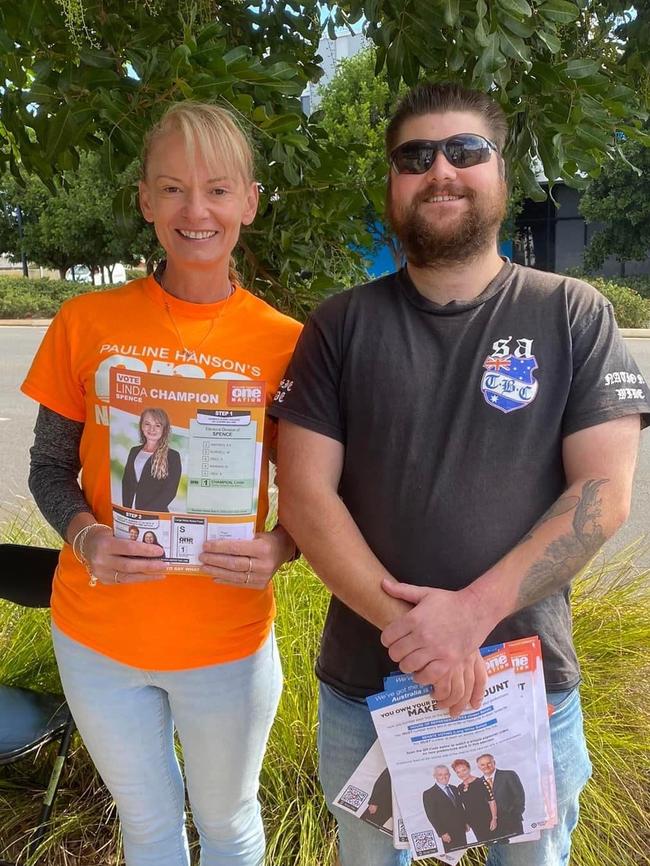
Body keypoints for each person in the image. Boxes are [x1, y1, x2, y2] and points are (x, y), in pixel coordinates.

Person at [270, 80, 650, 866]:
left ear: (502, 176)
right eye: (415, 156)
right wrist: (424, 638)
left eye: (465, 150)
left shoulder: (574, 314)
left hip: (524, 687)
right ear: (392, 184)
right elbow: (306, 496)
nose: (440, 169)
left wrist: (468, 617)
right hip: (368, 690)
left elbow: (604, 495)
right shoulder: (339, 325)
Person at [23, 101, 302, 866]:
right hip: (97, 638)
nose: (196, 210)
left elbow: (319, 496)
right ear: (146, 201)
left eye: (217, 188)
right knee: (146, 828)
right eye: (172, 188)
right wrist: (85, 535)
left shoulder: (288, 346)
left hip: (226, 643)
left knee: (229, 824)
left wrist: (282, 544)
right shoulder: (85, 322)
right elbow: (49, 466)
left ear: (248, 201)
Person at [121, 408, 182, 512]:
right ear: (142, 426)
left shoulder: (173, 456)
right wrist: (127, 510)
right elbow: (126, 482)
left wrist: (146, 513)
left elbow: (170, 491)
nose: (151, 429)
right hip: (131, 512)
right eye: (147, 424)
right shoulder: (134, 451)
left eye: (157, 425)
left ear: (164, 429)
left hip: (155, 515)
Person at [476, 754, 525, 840]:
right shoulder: (478, 784)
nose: (486, 766)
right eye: (482, 765)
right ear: (479, 767)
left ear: (494, 763)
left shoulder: (508, 775)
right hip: (492, 827)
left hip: (512, 822)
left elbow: (519, 796)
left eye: (489, 763)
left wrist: (515, 814)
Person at [421, 766, 467, 852]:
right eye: (440, 775)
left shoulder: (454, 788)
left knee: (464, 852)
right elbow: (432, 815)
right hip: (447, 832)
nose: (444, 777)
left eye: (446, 774)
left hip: (461, 828)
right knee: (453, 855)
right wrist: (442, 833)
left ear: (449, 775)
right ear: (435, 776)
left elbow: (460, 807)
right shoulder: (429, 793)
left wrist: (466, 822)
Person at [451, 758, 497, 843]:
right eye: (458, 772)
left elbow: (492, 801)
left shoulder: (481, 782)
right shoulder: (459, 788)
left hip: (487, 820)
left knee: (495, 843)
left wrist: (494, 819)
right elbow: (463, 807)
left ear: (469, 769)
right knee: (484, 844)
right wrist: (466, 822)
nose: (461, 774)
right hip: (474, 823)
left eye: (464, 770)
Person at [361, 767, 393, 831]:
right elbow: (381, 781)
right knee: (364, 826)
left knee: (373, 831)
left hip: (391, 808)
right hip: (380, 803)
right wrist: (374, 802)